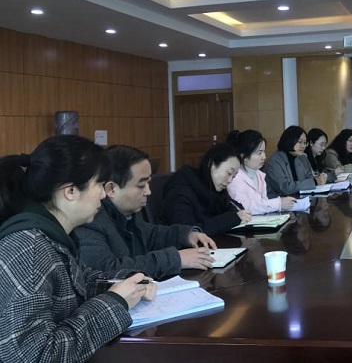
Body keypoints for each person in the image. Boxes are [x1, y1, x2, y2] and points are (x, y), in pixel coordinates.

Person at [0, 135, 156, 363]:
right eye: (99, 184)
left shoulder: (50, 235)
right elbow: (36, 357)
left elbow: (77, 281)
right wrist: (115, 301)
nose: (104, 194)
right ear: (70, 191)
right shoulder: (30, 249)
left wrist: (127, 282)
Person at [74, 145, 217, 280]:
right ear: (111, 189)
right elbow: (106, 270)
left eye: (149, 183)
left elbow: (151, 235)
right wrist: (176, 259)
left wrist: (186, 235)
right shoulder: (90, 220)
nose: (148, 192)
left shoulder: (129, 211)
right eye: (141, 185)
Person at [161, 143, 251, 236]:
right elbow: (188, 233)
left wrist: (238, 216)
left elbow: (234, 209)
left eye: (234, 176)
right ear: (212, 165)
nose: (230, 180)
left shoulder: (213, 188)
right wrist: (231, 219)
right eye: (229, 173)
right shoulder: (181, 191)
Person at [227, 130, 298, 214]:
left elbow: (263, 203)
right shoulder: (235, 178)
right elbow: (242, 207)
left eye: (264, 151)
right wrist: (278, 203)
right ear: (243, 157)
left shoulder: (259, 174)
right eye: (259, 153)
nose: (264, 157)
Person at [263, 125, 323, 197]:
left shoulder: (302, 158)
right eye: (300, 142)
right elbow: (285, 187)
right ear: (289, 140)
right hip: (281, 201)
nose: (303, 146)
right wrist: (314, 181)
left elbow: (310, 178)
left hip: (302, 199)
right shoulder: (274, 161)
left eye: (305, 143)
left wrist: (320, 178)